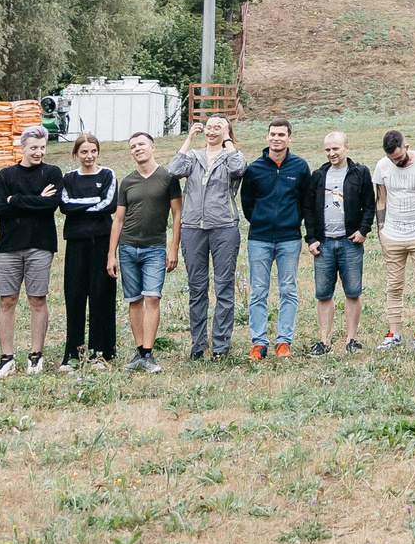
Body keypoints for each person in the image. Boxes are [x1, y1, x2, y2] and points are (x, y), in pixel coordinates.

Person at [171, 115, 245, 361]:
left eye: (218, 127)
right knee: (197, 288)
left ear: (227, 130)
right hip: (193, 228)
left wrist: (227, 140)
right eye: (209, 127)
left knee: (224, 286)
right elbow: (174, 170)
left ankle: (221, 345)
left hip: (224, 227)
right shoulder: (193, 157)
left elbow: (239, 169)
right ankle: (198, 344)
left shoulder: (231, 155)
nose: (212, 131)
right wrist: (189, 139)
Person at [0, 125, 62, 377]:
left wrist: (15, 200)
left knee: (37, 299)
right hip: (9, 246)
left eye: (42, 148)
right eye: (34, 148)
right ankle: (6, 357)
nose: (38, 152)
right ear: (22, 148)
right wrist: (34, 199)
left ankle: (36, 356)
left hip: (40, 245)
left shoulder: (52, 172)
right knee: (7, 300)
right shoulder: (5, 175)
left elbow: (51, 205)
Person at [106, 131, 179, 373]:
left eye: (141, 144)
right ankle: (139, 352)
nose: (137, 149)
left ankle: (149, 353)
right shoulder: (127, 181)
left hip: (155, 248)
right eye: (132, 146)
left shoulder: (168, 178)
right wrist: (111, 254)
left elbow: (177, 215)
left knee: (152, 297)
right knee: (134, 300)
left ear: (153, 147)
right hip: (127, 248)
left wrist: (173, 248)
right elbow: (118, 219)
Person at [240, 120, 313, 360]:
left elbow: (306, 203)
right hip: (259, 238)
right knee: (258, 291)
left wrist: (293, 221)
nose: (276, 138)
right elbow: (247, 204)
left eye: (282, 134)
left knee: (288, 290)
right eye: (273, 134)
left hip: (289, 238)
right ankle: (259, 343)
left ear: (290, 138)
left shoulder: (300, 167)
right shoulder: (254, 168)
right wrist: (260, 221)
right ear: (267, 137)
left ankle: (284, 342)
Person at [304, 131, 374, 355]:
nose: (331, 153)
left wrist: (363, 230)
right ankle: (324, 341)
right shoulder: (318, 175)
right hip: (324, 244)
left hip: (349, 242)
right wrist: (312, 239)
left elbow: (369, 205)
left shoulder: (360, 173)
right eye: (327, 150)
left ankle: (352, 340)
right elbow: (309, 209)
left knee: (353, 292)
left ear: (347, 147)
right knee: (323, 294)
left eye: (335, 148)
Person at [58, 132, 120, 369]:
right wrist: (92, 202)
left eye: (93, 151)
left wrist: (80, 206)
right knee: (74, 296)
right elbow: (64, 205)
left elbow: (109, 204)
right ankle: (73, 354)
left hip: (101, 243)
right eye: (84, 152)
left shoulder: (107, 174)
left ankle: (100, 352)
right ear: (76, 154)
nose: (89, 156)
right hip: (76, 243)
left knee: (100, 296)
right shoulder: (68, 178)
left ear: (98, 152)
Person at [374, 130, 415, 350]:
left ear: (406, 147)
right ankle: (394, 332)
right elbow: (381, 199)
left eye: (399, 158)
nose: (395, 162)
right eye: (392, 159)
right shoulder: (382, 166)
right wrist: (381, 229)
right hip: (392, 234)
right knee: (394, 285)